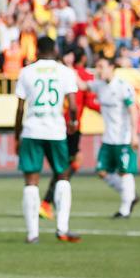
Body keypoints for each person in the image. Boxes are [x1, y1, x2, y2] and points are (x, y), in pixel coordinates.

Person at [14, 37, 80, 244]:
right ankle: (62, 229)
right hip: (56, 131)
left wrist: (17, 135)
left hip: (32, 130)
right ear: (55, 50)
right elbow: (73, 105)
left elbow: (20, 108)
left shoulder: (27, 72)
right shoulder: (65, 72)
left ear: (37, 50)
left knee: (31, 181)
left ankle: (32, 234)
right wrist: (73, 122)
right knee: (63, 176)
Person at [40, 48, 98, 219]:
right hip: (71, 126)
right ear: (83, 58)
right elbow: (89, 101)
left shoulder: (60, 72)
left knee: (74, 160)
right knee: (65, 166)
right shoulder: (82, 75)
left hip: (61, 124)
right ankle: (48, 201)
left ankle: (52, 198)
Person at [88, 57, 140, 218]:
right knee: (102, 171)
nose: (98, 70)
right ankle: (131, 195)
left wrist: (134, 135)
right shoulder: (99, 85)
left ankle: (125, 210)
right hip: (108, 139)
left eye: (101, 66)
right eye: (97, 66)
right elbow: (82, 85)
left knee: (125, 172)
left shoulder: (123, 86)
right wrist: (69, 68)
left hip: (124, 138)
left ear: (111, 67)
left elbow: (133, 111)